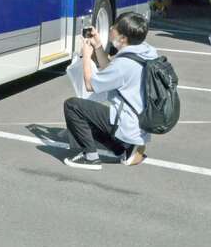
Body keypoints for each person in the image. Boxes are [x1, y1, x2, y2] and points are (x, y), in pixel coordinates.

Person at [62, 12, 155, 170]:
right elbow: (110, 70)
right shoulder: (145, 52)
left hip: (128, 123)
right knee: (93, 114)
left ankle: (90, 157)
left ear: (123, 38)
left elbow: (90, 85)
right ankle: (124, 147)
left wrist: (86, 56)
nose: (110, 28)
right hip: (140, 124)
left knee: (73, 106)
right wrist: (98, 46)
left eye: (114, 28)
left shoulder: (124, 63)